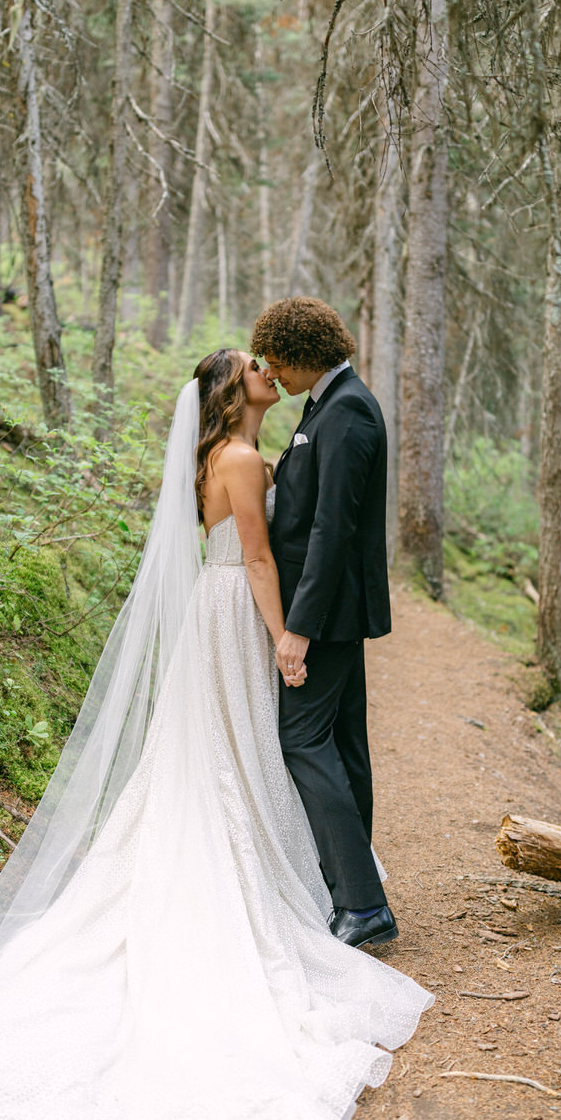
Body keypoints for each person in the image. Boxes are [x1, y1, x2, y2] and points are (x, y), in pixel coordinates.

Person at [0, 350, 432, 1120]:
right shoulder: (233, 458)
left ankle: (293, 872)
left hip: (214, 612)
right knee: (239, 750)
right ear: (236, 393)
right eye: (253, 367)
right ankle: (283, 885)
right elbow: (259, 560)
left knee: (226, 752)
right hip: (236, 610)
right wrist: (284, 639)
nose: (267, 369)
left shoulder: (223, 457)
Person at [251, 299, 395, 949]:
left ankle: (363, 906)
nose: (271, 372)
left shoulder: (347, 411)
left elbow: (333, 529)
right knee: (340, 743)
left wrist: (297, 628)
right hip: (331, 610)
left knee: (302, 740)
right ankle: (350, 886)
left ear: (305, 352)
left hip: (328, 614)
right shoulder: (323, 405)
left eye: (277, 360)